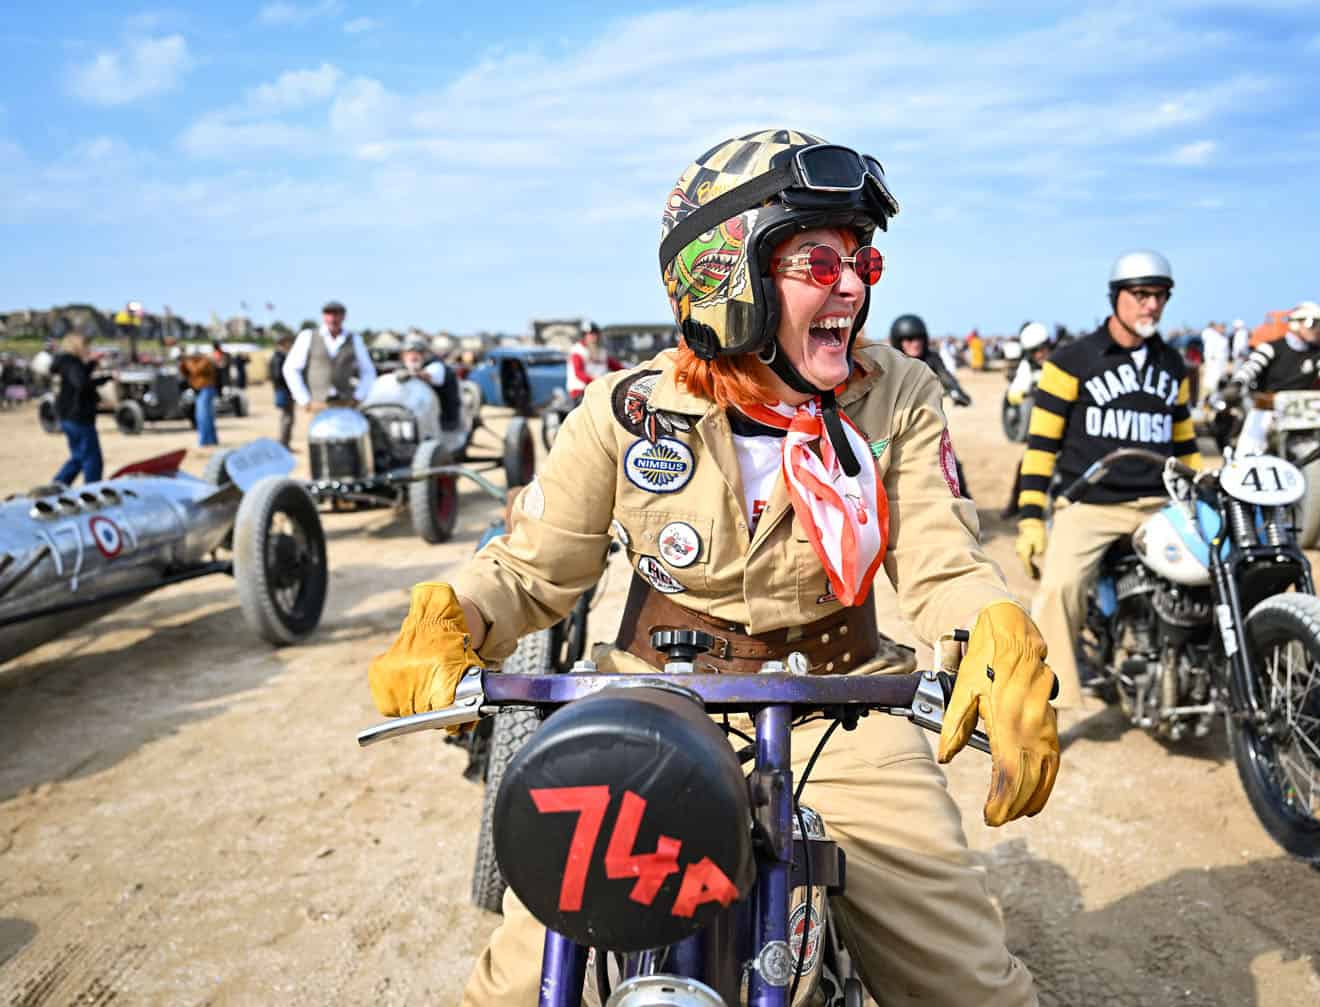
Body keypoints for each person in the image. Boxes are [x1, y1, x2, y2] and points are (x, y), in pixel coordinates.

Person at [367, 129, 1059, 1006]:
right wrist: (448, 615)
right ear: (725, 275)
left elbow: (941, 555)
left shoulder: (898, 393)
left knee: (970, 989)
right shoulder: (626, 410)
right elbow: (530, 569)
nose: (851, 285)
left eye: (862, 262)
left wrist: (992, 624)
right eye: (817, 260)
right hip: (649, 702)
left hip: (841, 709)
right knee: (514, 988)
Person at [1013, 250, 1201, 708]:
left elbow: (1185, 444)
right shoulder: (1069, 361)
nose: (1151, 306)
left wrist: (1199, 497)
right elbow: (1040, 448)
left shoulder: (1173, 366)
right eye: (1140, 295)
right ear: (1116, 297)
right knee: (1061, 589)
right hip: (1090, 505)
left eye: (1159, 296)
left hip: (1160, 506)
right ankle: (1048, 705)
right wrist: (1032, 519)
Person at [1230, 301, 1320, 535]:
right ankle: (1240, 515)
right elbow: (1250, 367)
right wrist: (1237, 383)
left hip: (1302, 416)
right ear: (1295, 324)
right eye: (1313, 323)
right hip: (1267, 410)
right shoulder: (1271, 348)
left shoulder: (1317, 353)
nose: (1317, 328)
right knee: (1246, 456)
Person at [282, 301, 377, 411]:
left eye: (336, 314)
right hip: (317, 403)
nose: (332, 318)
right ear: (323, 316)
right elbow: (291, 368)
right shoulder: (308, 336)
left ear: (344, 316)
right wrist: (304, 399)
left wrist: (358, 396)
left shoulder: (355, 339)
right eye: (329, 314)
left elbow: (368, 371)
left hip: (345, 403)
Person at [50, 333, 109, 485]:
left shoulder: (66, 362)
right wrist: (104, 379)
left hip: (68, 415)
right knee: (92, 458)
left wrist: (92, 363)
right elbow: (81, 383)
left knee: (79, 456)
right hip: (78, 416)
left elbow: (79, 376)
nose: (87, 348)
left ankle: (58, 484)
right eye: (85, 345)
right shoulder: (72, 362)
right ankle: (92, 490)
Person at [889, 314, 971, 406]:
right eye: (909, 339)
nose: (915, 344)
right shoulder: (891, 362)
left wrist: (957, 392)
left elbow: (945, 377)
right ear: (898, 341)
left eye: (919, 338)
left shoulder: (931, 358)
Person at [399, 337, 462, 431]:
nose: (412, 356)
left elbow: (430, 375)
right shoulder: (403, 368)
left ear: (425, 354)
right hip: (421, 421)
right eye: (408, 353)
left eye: (417, 352)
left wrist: (411, 374)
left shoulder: (436, 365)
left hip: (443, 424)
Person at [565, 321, 625, 400]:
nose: (594, 336)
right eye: (590, 334)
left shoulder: (601, 351)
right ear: (584, 336)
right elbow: (579, 373)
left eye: (596, 333)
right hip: (581, 391)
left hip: (599, 390)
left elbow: (616, 366)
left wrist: (631, 372)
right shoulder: (578, 351)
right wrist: (597, 382)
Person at [180, 349, 220, 446]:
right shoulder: (193, 362)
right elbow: (184, 372)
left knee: (202, 416)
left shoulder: (205, 361)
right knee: (207, 416)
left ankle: (204, 441)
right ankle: (211, 440)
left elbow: (196, 370)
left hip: (206, 389)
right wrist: (183, 363)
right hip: (200, 390)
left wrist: (188, 362)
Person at [1007, 321, 1051, 408]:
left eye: (1042, 348)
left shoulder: (1060, 361)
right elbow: (1014, 392)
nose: (1039, 354)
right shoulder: (1027, 366)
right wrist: (1029, 394)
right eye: (1034, 351)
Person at [269, 334, 296, 446]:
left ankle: (285, 442)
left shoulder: (279, 356)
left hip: (283, 390)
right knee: (287, 417)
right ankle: (284, 443)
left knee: (287, 417)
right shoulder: (279, 357)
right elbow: (278, 375)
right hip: (284, 390)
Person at [1199, 320, 1228, 401]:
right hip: (1213, 364)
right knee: (1210, 383)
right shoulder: (1213, 337)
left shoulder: (1224, 338)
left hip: (1221, 364)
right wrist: (1210, 361)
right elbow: (1208, 351)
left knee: (1218, 384)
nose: (1223, 329)